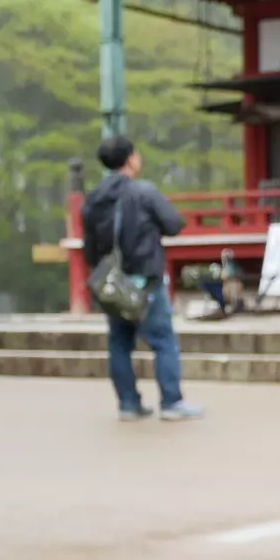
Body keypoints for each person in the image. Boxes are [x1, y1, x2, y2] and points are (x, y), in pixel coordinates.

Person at [80, 134, 203, 422]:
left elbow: (89, 248)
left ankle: (128, 404)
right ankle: (172, 402)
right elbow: (173, 224)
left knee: (120, 342)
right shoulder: (143, 192)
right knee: (162, 340)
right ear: (131, 159)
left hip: (114, 284)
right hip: (145, 279)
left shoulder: (93, 199)